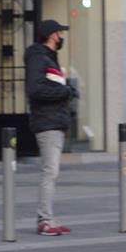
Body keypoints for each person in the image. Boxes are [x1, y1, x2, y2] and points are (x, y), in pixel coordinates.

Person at [25, 19, 77, 235]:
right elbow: (35, 90)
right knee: (50, 171)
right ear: (52, 35)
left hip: (55, 121)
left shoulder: (48, 59)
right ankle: (45, 220)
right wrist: (65, 92)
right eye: (59, 33)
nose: (62, 37)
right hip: (47, 123)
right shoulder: (39, 58)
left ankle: (49, 218)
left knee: (51, 172)